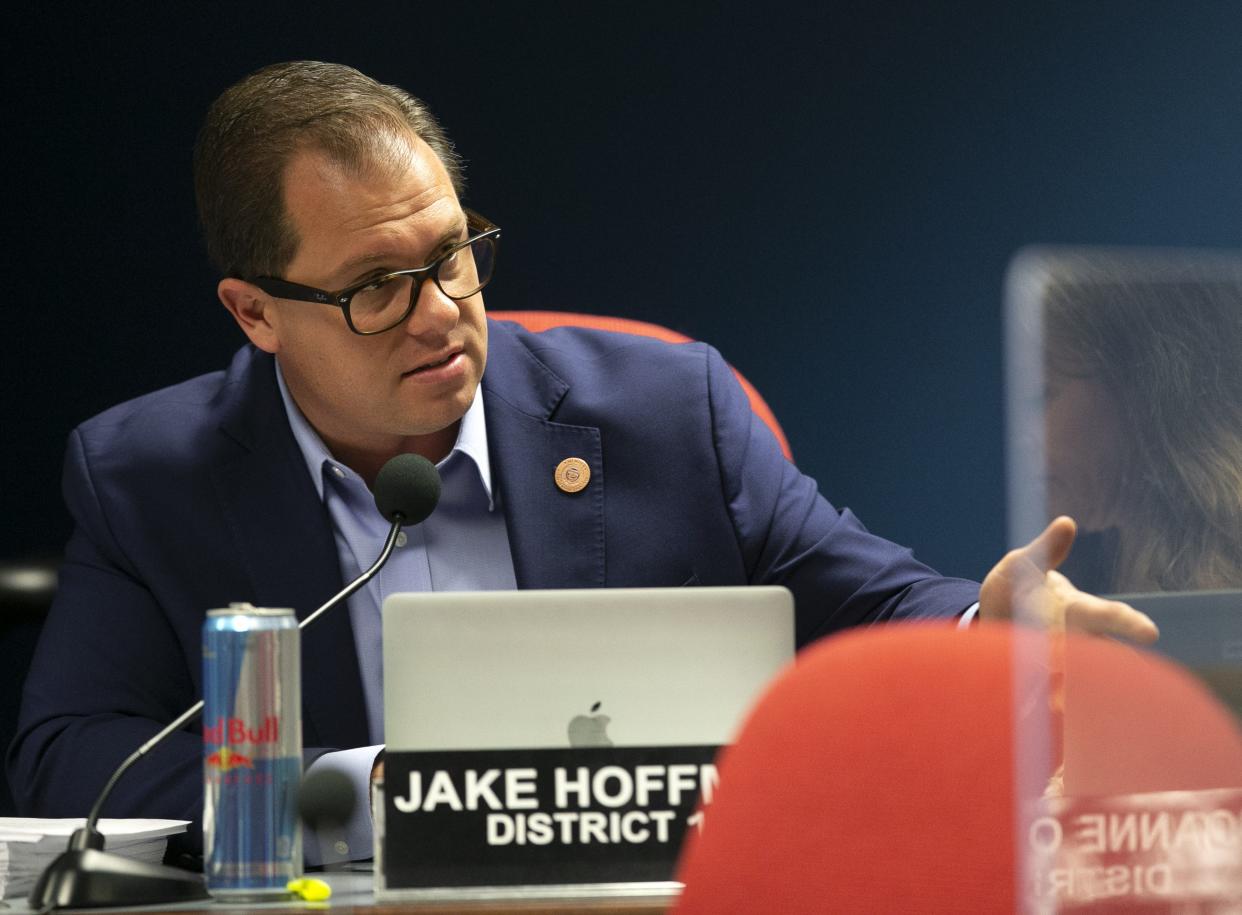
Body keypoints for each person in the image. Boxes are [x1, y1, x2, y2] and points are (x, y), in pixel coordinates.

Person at [6, 61, 1156, 864]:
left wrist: (981, 624)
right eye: (375, 288)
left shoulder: (664, 408)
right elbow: (72, 763)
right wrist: (371, 796)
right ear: (255, 314)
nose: (440, 313)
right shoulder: (149, 475)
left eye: (454, 253)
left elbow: (864, 594)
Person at [1041, 258, 1242, 593]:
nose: (1020, 437)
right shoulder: (1084, 562)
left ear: (1137, 395)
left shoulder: (1218, 581)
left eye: (1042, 394)